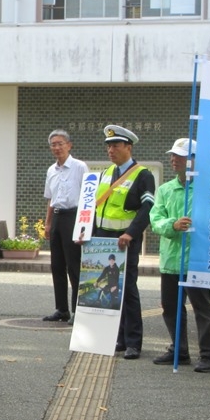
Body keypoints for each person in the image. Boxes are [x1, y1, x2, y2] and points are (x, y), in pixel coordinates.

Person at [149, 138, 210, 372]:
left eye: (180, 156)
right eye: (173, 155)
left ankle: (209, 356)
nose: (174, 159)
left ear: (194, 160)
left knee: (202, 308)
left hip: (197, 260)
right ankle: (179, 350)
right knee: (171, 308)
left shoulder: (209, 190)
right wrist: (173, 224)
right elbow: (155, 220)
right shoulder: (165, 189)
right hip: (171, 259)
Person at [90, 125, 155, 360]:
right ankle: (118, 338)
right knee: (109, 290)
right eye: (108, 146)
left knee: (127, 290)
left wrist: (131, 233)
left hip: (125, 241)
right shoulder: (108, 172)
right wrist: (89, 234)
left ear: (129, 147)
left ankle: (134, 342)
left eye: (115, 145)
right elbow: (97, 206)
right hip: (103, 240)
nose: (111, 150)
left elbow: (148, 207)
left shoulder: (143, 174)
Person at [42, 130, 87, 323]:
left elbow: (88, 197)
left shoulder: (79, 167)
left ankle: (79, 310)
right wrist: (48, 224)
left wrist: (85, 226)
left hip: (74, 217)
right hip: (58, 218)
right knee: (57, 265)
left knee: (74, 266)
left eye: (60, 143)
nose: (56, 147)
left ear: (69, 145)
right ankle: (61, 309)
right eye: (53, 144)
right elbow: (51, 199)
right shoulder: (51, 170)